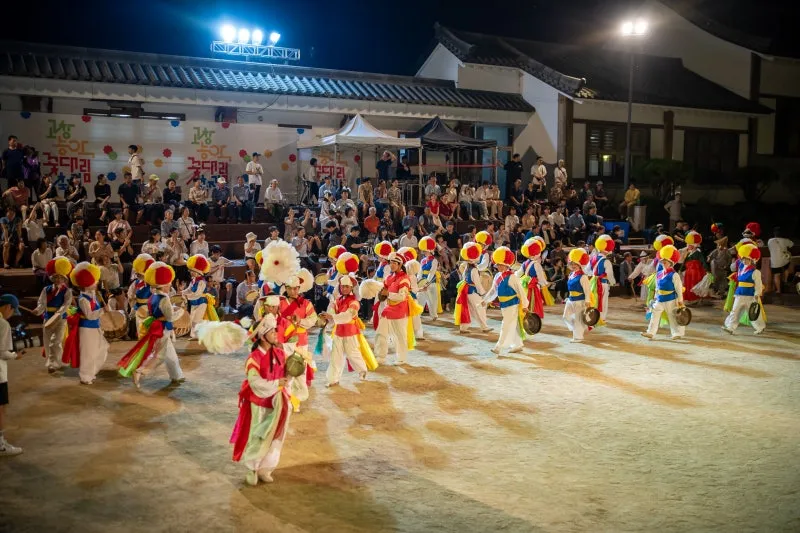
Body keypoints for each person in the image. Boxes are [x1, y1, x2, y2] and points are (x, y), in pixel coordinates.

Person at [229, 314, 291, 486]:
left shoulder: (280, 353)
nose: (276, 334)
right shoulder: (254, 358)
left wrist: (292, 373)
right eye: (272, 332)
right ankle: (252, 468)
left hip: (279, 401)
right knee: (258, 435)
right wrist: (277, 383)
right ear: (263, 337)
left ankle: (266, 468)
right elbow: (255, 383)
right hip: (260, 403)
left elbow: (287, 373)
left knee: (276, 437)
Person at [118, 262, 185, 389]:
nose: (170, 285)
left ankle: (177, 375)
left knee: (170, 354)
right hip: (162, 329)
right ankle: (140, 371)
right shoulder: (164, 299)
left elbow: (157, 312)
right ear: (163, 285)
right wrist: (181, 310)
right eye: (169, 283)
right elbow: (170, 317)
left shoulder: (153, 296)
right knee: (159, 356)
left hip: (157, 327)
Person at [322, 272, 376, 386]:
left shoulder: (354, 302)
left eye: (347, 287)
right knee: (335, 356)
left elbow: (347, 316)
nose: (344, 289)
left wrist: (332, 316)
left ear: (351, 288)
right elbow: (332, 310)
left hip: (350, 332)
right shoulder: (337, 300)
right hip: (338, 332)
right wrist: (328, 315)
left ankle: (362, 370)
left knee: (352, 354)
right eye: (342, 286)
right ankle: (333, 379)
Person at [62, 262, 110, 384]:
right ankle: (85, 376)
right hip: (86, 328)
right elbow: (89, 315)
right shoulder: (83, 299)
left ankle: (91, 372)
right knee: (87, 353)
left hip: (95, 327)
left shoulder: (92, 295)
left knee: (101, 349)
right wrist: (103, 310)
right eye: (94, 281)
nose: (96, 282)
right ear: (86, 283)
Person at [483, 247, 528, 354]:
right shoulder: (497, 276)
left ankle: (498, 347)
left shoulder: (513, 277)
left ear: (506, 265)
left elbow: (521, 292)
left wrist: (525, 305)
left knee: (506, 324)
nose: (498, 266)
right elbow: (493, 290)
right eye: (497, 264)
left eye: (501, 264)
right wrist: (485, 300)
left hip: (512, 305)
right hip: (503, 305)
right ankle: (518, 344)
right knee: (513, 324)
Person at [374, 251, 416, 365]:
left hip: (400, 310)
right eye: (390, 262)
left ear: (400, 264)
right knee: (381, 333)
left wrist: (388, 294)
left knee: (400, 336)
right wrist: (380, 294)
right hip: (388, 309)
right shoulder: (389, 277)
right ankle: (380, 356)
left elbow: (402, 297)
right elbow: (384, 291)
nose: (391, 265)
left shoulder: (404, 279)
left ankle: (401, 358)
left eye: (394, 263)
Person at [32, 258, 73, 372]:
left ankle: (54, 363)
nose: (58, 279)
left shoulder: (67, 291)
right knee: (47, 341)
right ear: (53, 278)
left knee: (55, 341)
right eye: (56, 277)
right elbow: (41, 303)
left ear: (64, 279)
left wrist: (58, 314)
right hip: (47, 318)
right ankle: (52, 362)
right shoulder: (46, 290)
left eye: (60, 277)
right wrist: (37, 310)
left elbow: (66, 304)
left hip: (60, 319)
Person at [642, 245, 686, 340]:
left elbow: (679, 289)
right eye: (662, 262)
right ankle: (650, 332)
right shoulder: (658, 274)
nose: (663, 263)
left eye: (665, 262)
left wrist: (680, 301)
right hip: (659, 299)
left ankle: (676, 333)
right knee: (654, 315)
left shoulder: (674, 275)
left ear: (671, 263)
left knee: (672, 316)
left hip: (671, 299)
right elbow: (657, 287)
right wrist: (654, 298)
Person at [0, 293, 25, 456]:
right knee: (1, 408)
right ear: (8, 307)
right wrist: (16, 355)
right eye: (12, 311)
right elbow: (2, 352)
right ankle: (0, 445)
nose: (11, 315)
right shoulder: (3, 324)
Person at [723, 244, 766, 335]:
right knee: (735, 311)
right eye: (743, 259)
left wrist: (757, 294)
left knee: (752, 313)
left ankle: (760, 327)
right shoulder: (740, 269)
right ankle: (730, 327)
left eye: (747, 259)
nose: (744, 260)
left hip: (750, 295)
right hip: (739, 293)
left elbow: (758, 284)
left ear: (752, 260)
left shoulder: (755, 272)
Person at [454, 242, 491, 334]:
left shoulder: (467, 267)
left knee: (468, 309)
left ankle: (463, 328)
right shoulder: (474, 269)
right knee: (480, 308)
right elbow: (477, 284)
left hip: (465, 291)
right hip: (471, 291)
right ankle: (484, 327)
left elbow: (463, 278)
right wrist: (483, 294)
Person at [563, 248, 593, 343]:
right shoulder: (571, 274)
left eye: (575, 264)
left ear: (580, 265)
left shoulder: (583, 276)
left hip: (580, 300)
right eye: (572, 264)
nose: (573, 266)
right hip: (571, 299)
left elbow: (587, 290)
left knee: (578, 319)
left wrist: (587, 301)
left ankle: (578, 336)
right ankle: (578, 328)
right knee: (565, 316)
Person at [591, 235, 617, 325]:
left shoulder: (593, 258)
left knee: (594, 300)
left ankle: (593, 317)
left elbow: (587, 270)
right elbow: (610, 275)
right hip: (603, 284)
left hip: (593, 283)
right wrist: (613, 283)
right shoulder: (606, 261)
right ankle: (601, 319)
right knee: (603, 302)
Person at [184, 254, 212, 336]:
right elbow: (189, 289)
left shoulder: (201, 282)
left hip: (201, 302)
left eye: (192, 271)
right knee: (192, 320)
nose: (190, 272)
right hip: (194, 302)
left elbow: (197, 294)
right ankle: (195, 335)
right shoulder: (193, 280)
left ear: (197, 272)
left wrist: (187, 296)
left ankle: (198, 335)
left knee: (196, 320)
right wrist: (182, 292)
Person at [417, 236, 440, 322]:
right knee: (420, 298)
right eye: (423, 250)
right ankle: (418, 314)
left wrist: (427, 282)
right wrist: (419, 281)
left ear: (430, 250)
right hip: (422, 281)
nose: (423, 252)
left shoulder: (434, 260)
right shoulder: (422, 260)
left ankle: (434, 315)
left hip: (431, 282)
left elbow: (432, 272)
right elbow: (420, 271)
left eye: (425, 250)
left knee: (432, 299)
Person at [767, 227, 793, 293]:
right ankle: (785, 281)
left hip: (775, 262)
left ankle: (778, 290)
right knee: (787, 267)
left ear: (774, 233)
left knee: (776, 275)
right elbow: (792, 245)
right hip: (784, 261)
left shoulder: (770, 241)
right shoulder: (785, 240)